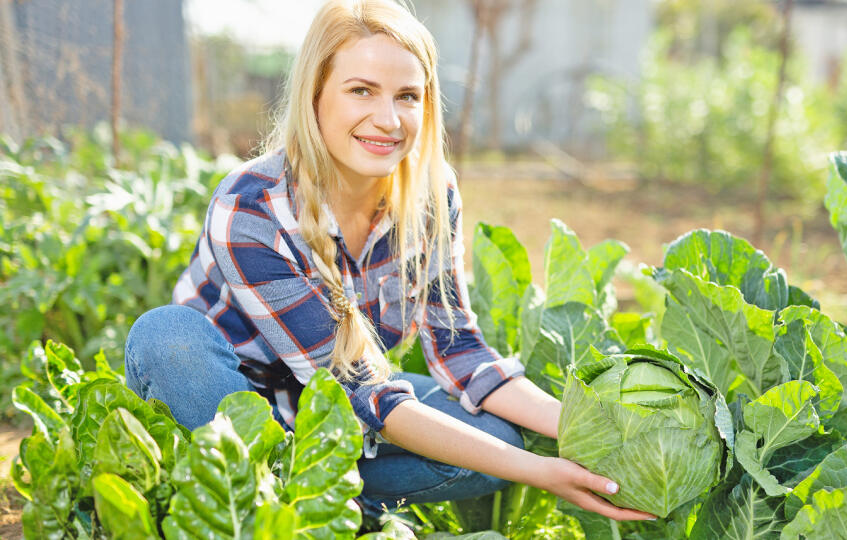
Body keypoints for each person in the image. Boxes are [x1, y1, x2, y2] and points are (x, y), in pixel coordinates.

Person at [124, 0, 654, 522]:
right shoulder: (251, 207)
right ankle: (258, 501)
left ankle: (322, 507)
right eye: (361, 91)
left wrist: (594, 429)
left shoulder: (432, 195)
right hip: (229, 411)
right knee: (166, 336)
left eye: (407, 96)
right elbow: (361, 394)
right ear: (315, 96)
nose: (388, 119)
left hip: (335, 419)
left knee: (496, 441)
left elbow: (460, 352)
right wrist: (540, 472)